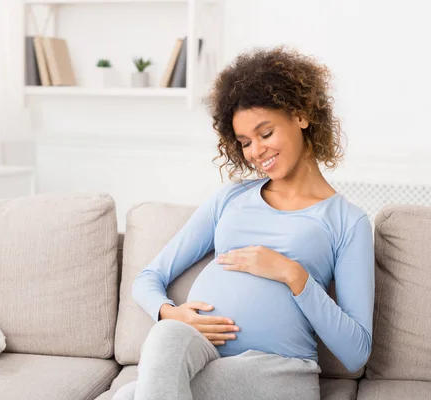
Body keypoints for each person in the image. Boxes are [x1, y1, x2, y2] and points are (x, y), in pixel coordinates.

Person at [113, 47, 374, 400]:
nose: (256, 152)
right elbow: (148, 278)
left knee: (131, 396)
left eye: (265, 134)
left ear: (300, 116)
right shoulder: (230, 198)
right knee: (165, 334)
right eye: (246, 142)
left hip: (279, 371)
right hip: (202, 355)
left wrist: (293, 275)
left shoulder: (348, 221)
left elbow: (356, 351)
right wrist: (171, 313)